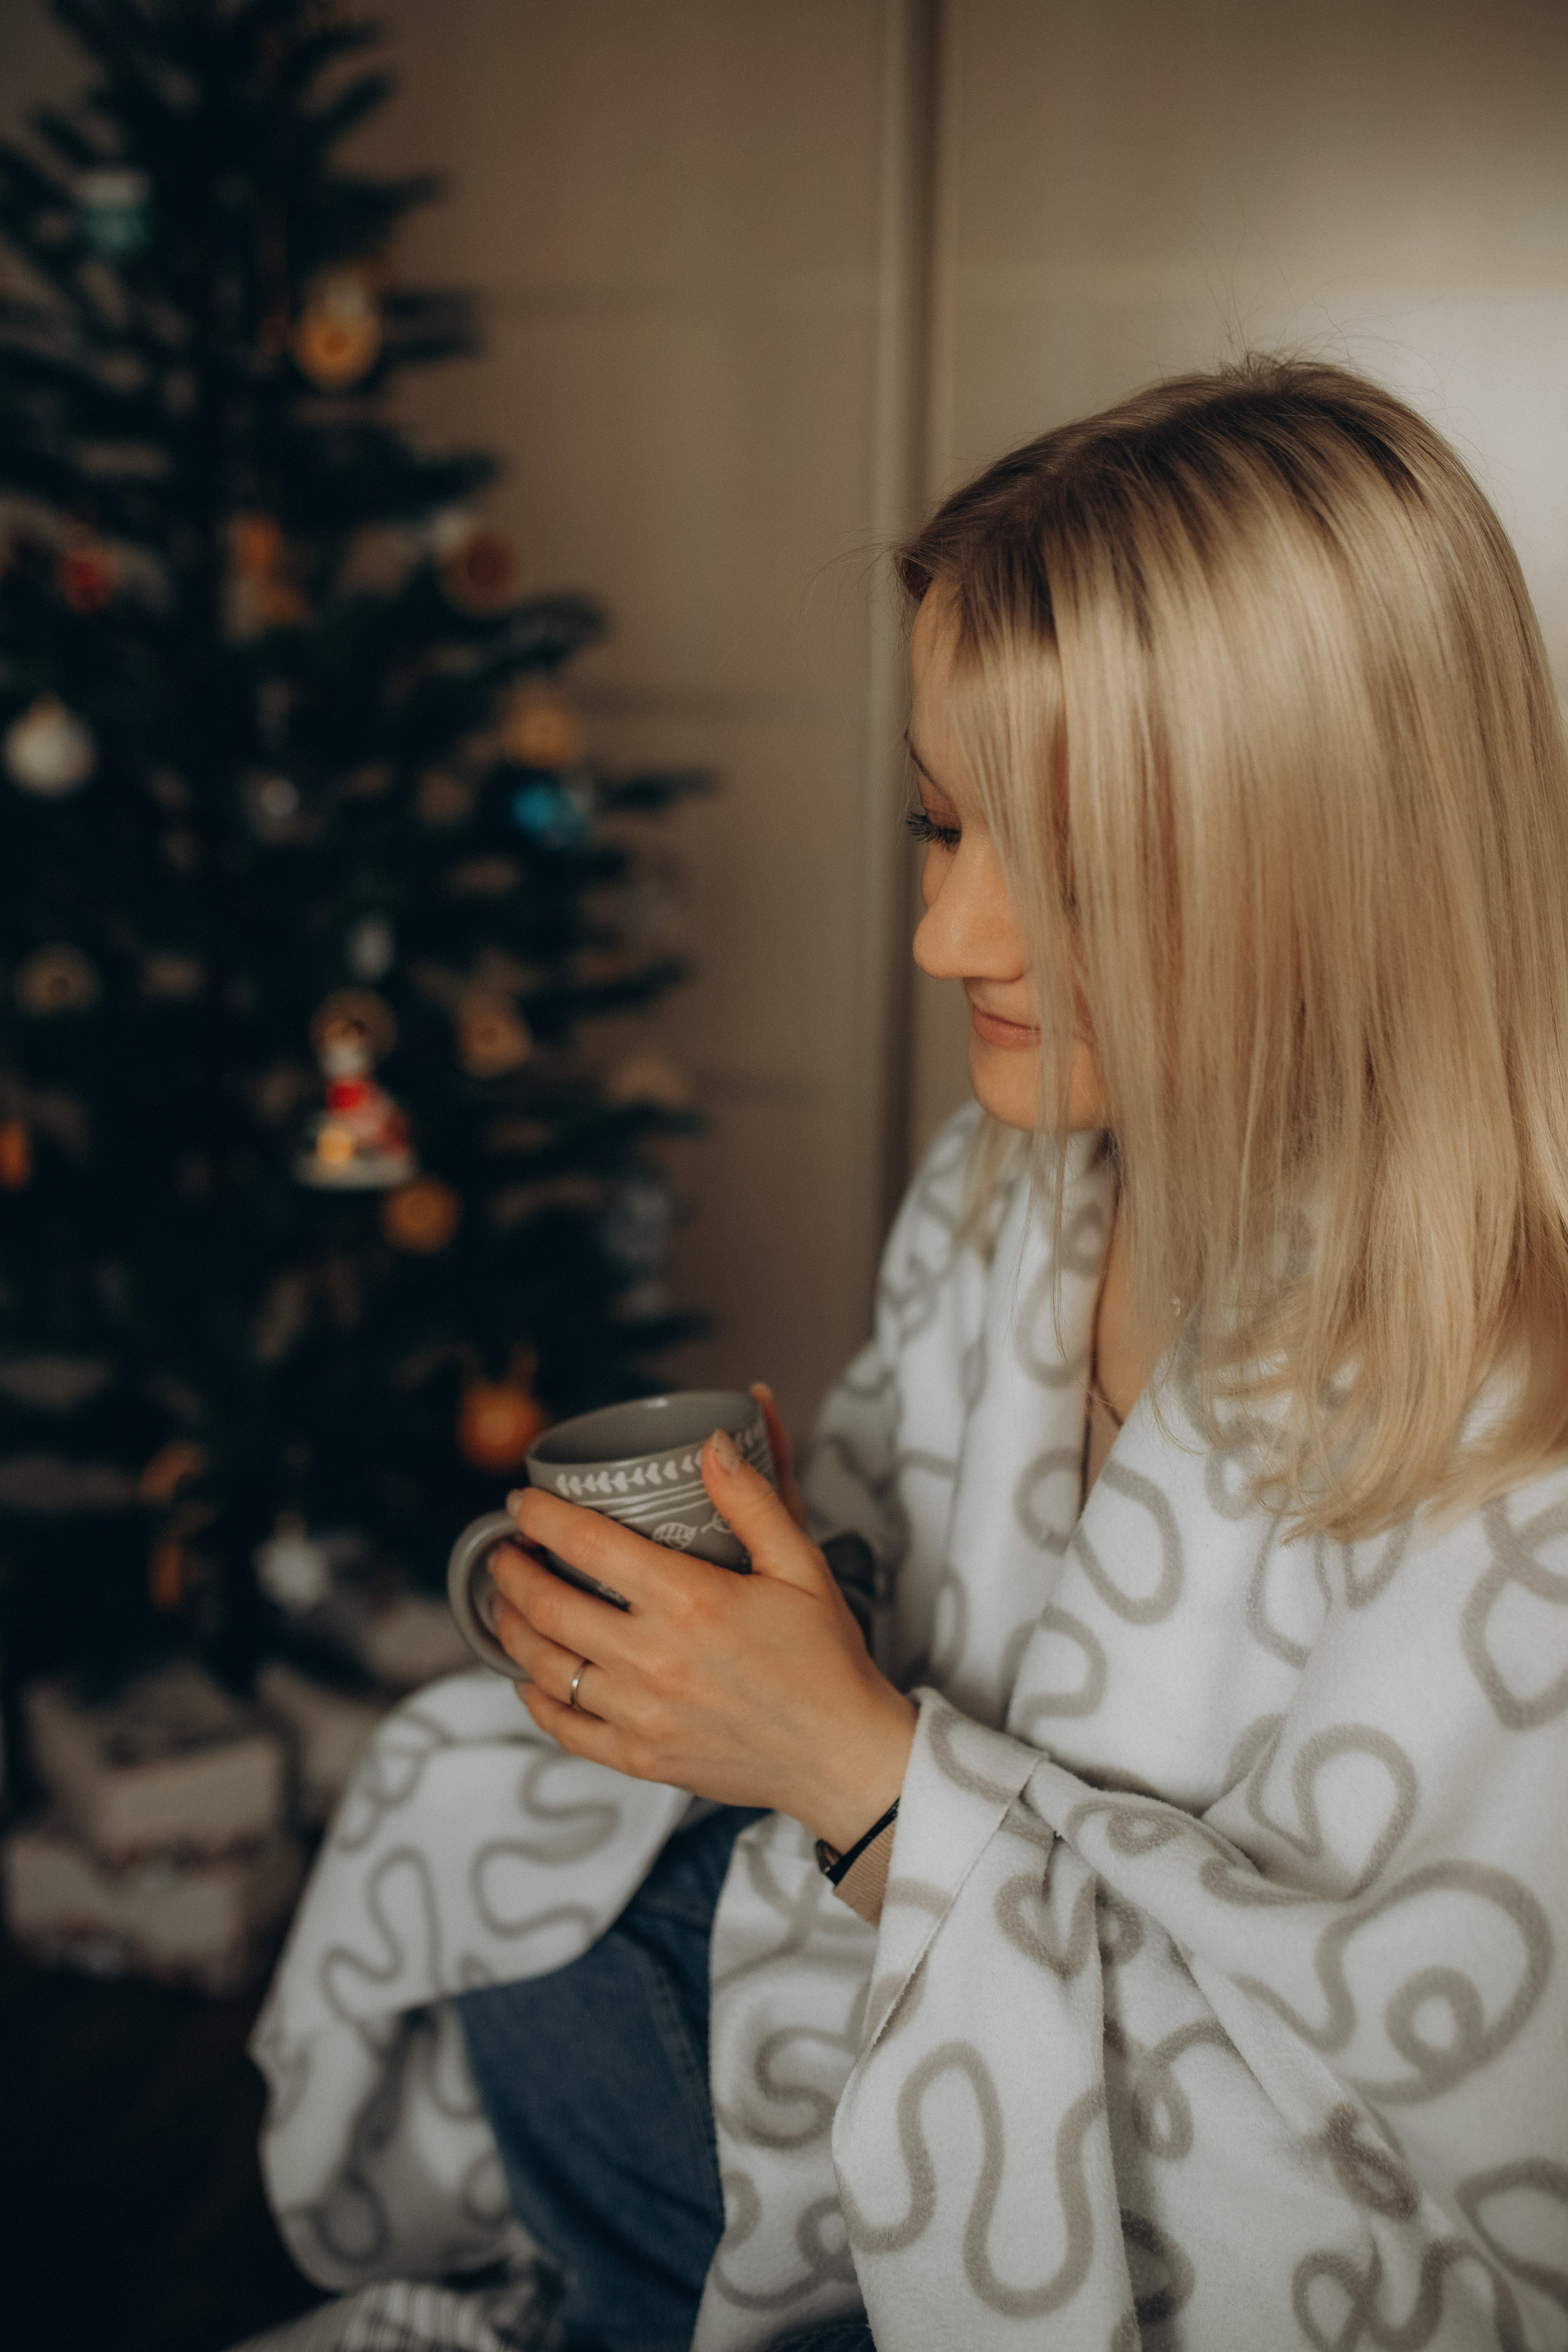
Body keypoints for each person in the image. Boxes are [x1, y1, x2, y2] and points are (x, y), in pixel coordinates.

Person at [249, 358, 1568, 2352]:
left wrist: (868, 1786)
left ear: (1334, 871)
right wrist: (767, 1576)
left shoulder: (1515, 1425)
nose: (948, 939)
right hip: (891, 1998)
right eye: (938, 830)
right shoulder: (1003, 1191)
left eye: (1059, 860)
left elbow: (1394, 2192)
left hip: (1169, 2233)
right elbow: (910, 1544)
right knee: (480, 1829)